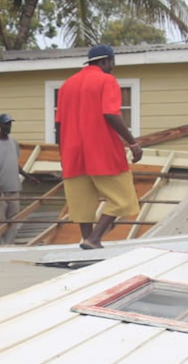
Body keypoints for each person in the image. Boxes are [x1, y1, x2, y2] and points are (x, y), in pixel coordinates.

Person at [56, 44, 144, 249]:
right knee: (123, 197)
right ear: (105, 61)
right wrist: (132, 143)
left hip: (72, 152)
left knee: (82, 201)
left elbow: (59, 123)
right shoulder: (106, 80)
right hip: (101, 149)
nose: (112, 67)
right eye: (112, 62)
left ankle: (87, 242)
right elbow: (111, 114)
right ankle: (94, 239)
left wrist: (62, 151)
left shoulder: (67, 85)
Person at [0, 113, 36, 244]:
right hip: (0, 189)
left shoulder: (13, 142)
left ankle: (9, 245)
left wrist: (27, 176)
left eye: (10, 124)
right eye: (6, 124)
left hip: (14, 187)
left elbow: (14, 163)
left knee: (14, 219)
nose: (8, 126)